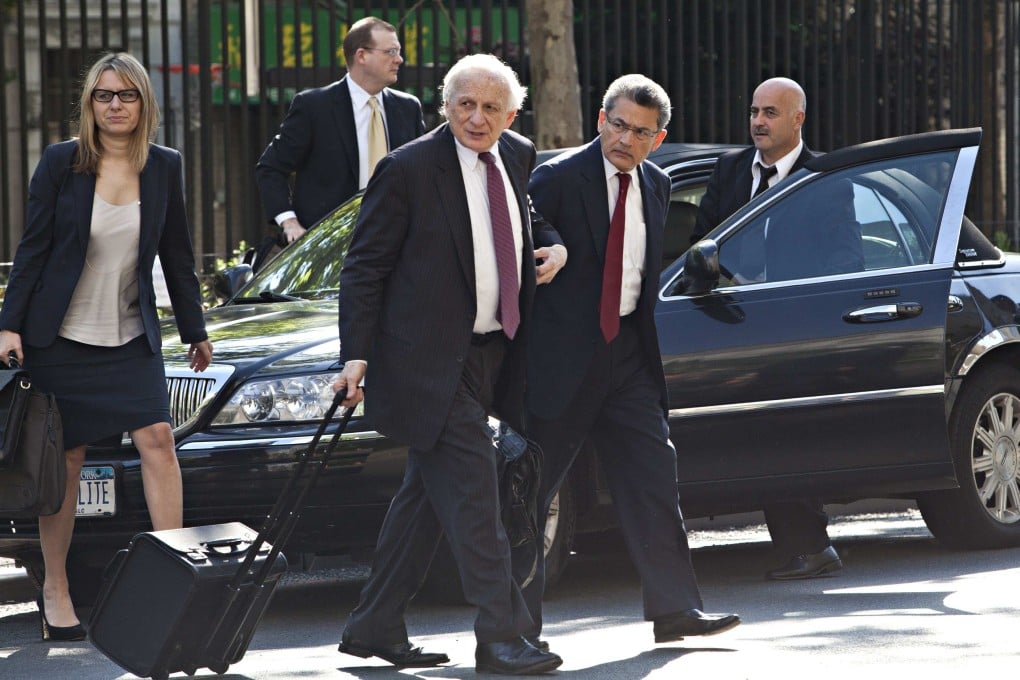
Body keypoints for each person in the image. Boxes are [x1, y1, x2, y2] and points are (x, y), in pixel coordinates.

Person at [332, 53, 567, 674]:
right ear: (445, 105)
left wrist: (552, 242)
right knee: (475, 498)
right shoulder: (405, 169)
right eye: (465, 103)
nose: (477, 117)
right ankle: (501, 635)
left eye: (492, 107)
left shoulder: (516, 154)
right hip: (427, 363)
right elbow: (364, 267)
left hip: (496, 354)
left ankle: (374, 624)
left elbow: (518, 215)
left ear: (511, 113)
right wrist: (354, 354)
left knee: (424, 499)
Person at [520, 74, 740, 647]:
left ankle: (675, 611)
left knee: (652, 482)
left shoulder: (659, 185)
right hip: (563, 362)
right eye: (618, 125)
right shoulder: (557, 178)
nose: (626, 139)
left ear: (658, 138)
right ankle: (517, 630)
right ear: (600, 121)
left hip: (630, 362)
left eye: (641, 132)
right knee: (531, 495)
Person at [0, 52, 213, 641]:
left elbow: (178, 254)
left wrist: (195, 330)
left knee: (160, 442)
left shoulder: (164, 167)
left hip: (128, 336)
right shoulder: (61, 163)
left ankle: (176, 582)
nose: (115, 105)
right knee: (64, 461)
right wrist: (8, 324)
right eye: (103, 95)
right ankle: (57, 587)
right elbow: (34, 248)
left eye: (127, 95)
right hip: (60, 339)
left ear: (144, 103)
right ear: (89, 104)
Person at [691, 76, 844, 580]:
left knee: (784, 435)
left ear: (798, 119)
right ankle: (804, 543)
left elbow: (846, 261)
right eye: (754, 111)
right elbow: (702, 242)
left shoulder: (824, 179)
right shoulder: (730, 169)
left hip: (793, 331)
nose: (758, 121)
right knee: (753, 434)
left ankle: (810, 544)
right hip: (729, 325)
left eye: (770, 113)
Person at [255, 16, 426, 243]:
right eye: (391, 52)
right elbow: (270, 167)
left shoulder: (408, 108)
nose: (400, 60)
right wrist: (289, 222)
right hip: (331, 249)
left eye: (399, 51)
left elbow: (422, 176)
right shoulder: (314, 107)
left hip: (396, 245)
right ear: (362, 55)